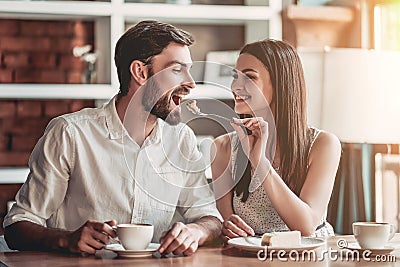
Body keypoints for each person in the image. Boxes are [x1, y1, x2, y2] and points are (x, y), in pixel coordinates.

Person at [4, 20, 222, 256]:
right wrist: (67, 239)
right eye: (177, 70)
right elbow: (17, 227)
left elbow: (209, 217)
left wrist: (195, 232)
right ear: (140, 72)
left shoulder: (182, 139)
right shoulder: (70, 133)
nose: (190, 83)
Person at [211, 39, 341, 241]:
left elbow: (306, 225)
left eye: (249, 77)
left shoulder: (323, 145)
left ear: (280, 84)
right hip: (247, 256)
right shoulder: (223, 147)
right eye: (235, 77)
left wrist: (260, 163)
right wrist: (228, 227)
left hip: (308, 255)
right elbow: (230, 226)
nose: (236, 86)